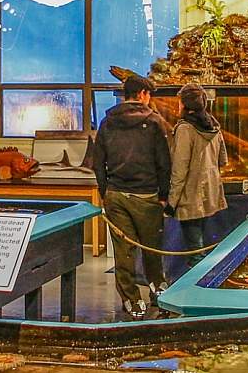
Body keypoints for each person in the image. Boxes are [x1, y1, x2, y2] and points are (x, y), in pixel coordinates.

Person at [91, 73, 172, 320]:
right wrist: (163, 195)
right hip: (147, 195)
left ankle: (131, 300)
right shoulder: (155, 122)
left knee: (123, 251)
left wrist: (106, 192)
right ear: (144, 95)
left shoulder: (107, 122)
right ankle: (157, 290)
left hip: (116, 195)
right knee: (151, 248)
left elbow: (98, 162)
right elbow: (164, 163)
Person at [168, 83, 228, 261]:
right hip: (210, 195)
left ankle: (198, 287)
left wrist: (172, 202)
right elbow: (223, 160)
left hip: (190, 197)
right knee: (201, 246)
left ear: (186, 105)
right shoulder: (214, 126)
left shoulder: (185, 129)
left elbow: (179, 169)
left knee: (196, 252)